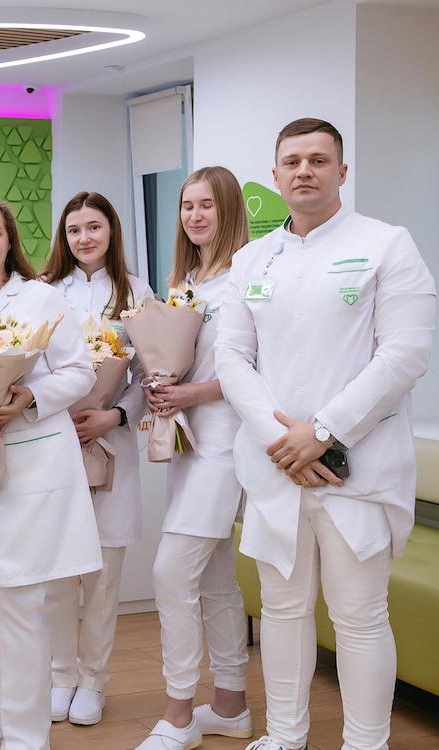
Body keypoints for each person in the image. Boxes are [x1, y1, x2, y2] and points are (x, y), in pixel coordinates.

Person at [216, 118, 436, 750]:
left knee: (359, 616)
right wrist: (282, 440)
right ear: (276, 174)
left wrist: (325, 430)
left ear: (342, 171)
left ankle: (366, 743)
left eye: (318, 160)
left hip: (356, 468)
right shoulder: (252, 259)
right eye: (292, 161)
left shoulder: (386, 244)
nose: (304, 171)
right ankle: (285, 737)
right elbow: (231, 357)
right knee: (282, 611)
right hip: (275, 466)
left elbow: (405, 353)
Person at [0, 196, 101, 750]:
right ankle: (9, 724)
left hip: (33, 466)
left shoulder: (40, 298)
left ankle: (28, 737)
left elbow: (80, 372)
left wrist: (27, 397)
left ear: (10, 241)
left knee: (24, 605)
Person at [133, 167, 252, 750]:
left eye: (207, 205)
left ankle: (179, 712)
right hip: (188, 441)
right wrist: (161, 385)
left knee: (171, 572)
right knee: (214, 576)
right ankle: (230, 704)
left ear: (228, 209)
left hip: (225, 441)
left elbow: (256, 369)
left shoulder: (246, 277)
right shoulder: (184, 280)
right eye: (187, 206)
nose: (195, 216)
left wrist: (192, 393)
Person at [40, 191, 154, 726]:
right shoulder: (45, 292)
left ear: (112, 231)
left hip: (111, 442)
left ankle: (94, 681)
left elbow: (151, 374)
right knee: (61, 570)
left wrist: (115, 415)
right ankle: (61, 674)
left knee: (105, 572)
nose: (84, 238)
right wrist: (56, 411)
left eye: (94, 227)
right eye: (74, 230)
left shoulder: (136, 293)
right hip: (55, 444)